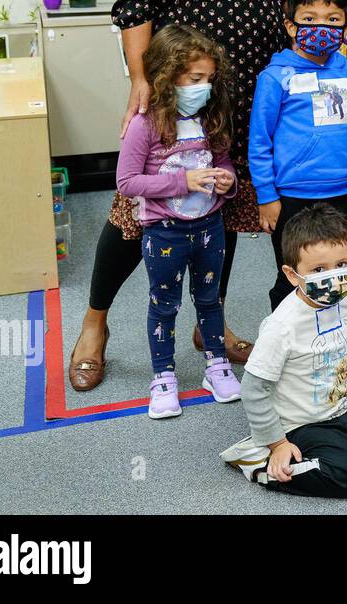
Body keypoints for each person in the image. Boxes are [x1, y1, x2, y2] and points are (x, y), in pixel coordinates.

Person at [70, 0, 307, 391]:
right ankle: (95, 322)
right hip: (187, 77)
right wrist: (140, 80)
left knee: (220, 199)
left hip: (257, 76)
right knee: (140, 204)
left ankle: (209, 322)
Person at [220, 205, 347, 496]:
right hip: (302, 422)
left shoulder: (346, 302)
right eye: (319, 270)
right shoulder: (281, 326)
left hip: (342, 405)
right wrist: (277, 443)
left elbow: (340, 346)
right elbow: (253, 389)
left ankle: (340, 447)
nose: (334, 277)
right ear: (292, 274)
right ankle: (257, 461)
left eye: (341, 265)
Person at [249, 0, 347, 379]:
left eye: (332, 20)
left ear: (345, 25)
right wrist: (266, 195)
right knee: (293, 274)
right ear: (290, 25)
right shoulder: (275, 78)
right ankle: (290, 344)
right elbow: (260, 141)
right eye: (310, 18)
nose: (321, 29)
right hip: (292, 198)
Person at [113, 25, 239, 419]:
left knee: (210, 299)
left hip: (209, 227)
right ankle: (163, 375)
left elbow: (222, 164)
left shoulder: (209, 119)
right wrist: (182, 181)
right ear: (167, 78)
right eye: (195, 79)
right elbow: (127, 181)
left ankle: (216, 365)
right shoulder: (145, 124)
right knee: (164, 304)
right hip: (164, 232)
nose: (203, 88)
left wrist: (228, 180)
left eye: (209, 80)